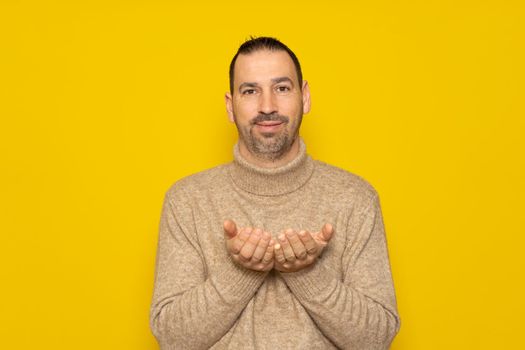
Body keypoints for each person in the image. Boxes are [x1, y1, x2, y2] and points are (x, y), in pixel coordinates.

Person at [149, 36, 400, 349]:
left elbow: (376, 338)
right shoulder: (186, 202)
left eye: (281, 88)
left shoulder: (356, 199)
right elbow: (173, 338)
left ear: (304, 97)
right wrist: (240, 271)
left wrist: (308, 273)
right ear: (230, 106)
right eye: (250, 91)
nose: (267, 107)